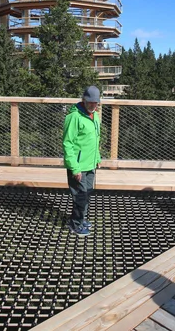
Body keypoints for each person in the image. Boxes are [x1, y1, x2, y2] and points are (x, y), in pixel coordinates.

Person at [62, 86, 102, 237]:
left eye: (96, 103)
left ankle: (80, 219)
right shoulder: (73, 117)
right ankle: (75, 225)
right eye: (90, 102)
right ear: (83, 100)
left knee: (86, 194)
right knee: (80, 196)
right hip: (78, 166)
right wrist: (75, 168)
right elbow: (68, 143)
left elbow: (96, 139)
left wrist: (97, 158)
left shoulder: (95, 116)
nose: (93, 105)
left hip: (90, 164)